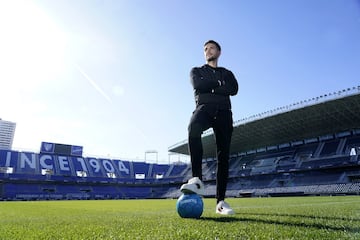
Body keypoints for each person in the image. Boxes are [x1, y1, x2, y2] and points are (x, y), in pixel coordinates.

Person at [180, 40, 239, 215]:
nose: (207, 51)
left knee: (223, 155)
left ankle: (220, 202)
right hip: (204, 108)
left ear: (219, 52)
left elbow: (234, 89)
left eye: (211, 48)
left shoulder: (226, 73)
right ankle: (197, 178)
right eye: (205, 49)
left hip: (224, 112)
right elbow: (199, 85)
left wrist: (211, 86)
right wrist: (219, 86)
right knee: (193, 129)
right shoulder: (197, 71)